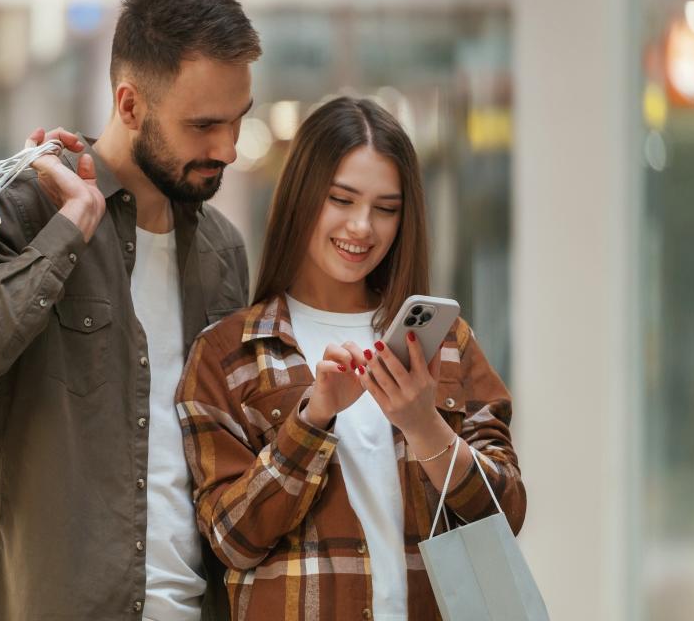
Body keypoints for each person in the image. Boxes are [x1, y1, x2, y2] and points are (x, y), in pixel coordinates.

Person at [0, 0, 260, 619]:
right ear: (129, 105)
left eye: (238, 119)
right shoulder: (26, 210)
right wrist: (67, 236)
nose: (229, 149)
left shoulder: (223, 252)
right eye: (204, 125)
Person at [175, 97, 527, 620]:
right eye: (342, 200)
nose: (362, 227)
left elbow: (506, 514)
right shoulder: (228, 355)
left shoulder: (445, 344)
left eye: (386, 208)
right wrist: (313, 419)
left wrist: (425, 425)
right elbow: (233, 540)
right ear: (301, 197)